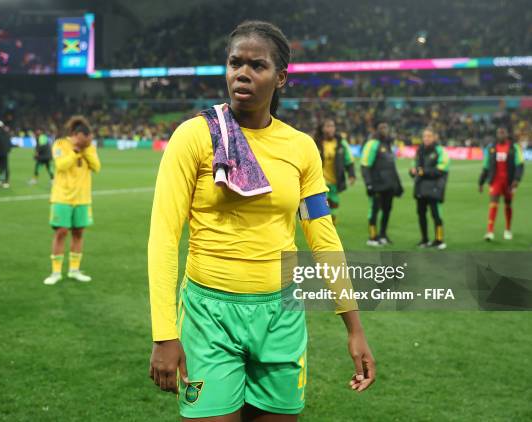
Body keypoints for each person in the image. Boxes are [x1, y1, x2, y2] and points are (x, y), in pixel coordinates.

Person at [148, 21, 375, 421]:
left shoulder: (302, 148)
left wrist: (354, 327)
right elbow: (164, 236)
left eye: (257, 65)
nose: (243, 73)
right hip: (209, 315)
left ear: (281, 77)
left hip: (281, 314)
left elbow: (323, 238)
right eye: (235, 62)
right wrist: (165, 333)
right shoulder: (193, 136)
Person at [43, 116, 101, 285]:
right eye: (85, 137)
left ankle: (74, 270)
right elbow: (60, 165)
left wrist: (85, 150)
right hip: (62, 197)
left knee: (78, 233)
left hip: (82, 198)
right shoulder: (60, 144)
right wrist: (75, 151)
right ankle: (55, 272)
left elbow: (96, 167)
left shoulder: (89, 148)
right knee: (61, 232)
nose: (87, 141)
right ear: (76, 134)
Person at [360, 121, 403, 246]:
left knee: (387, 210)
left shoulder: (388, 145)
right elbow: (365, 165)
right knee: (374, 210)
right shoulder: (372, 144)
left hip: (389, 185)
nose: (384, 130)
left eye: (386, 128)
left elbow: (392, 167)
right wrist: (368, 184)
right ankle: (372, 237)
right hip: (377, 185)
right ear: (377, 130)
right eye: (382, 128)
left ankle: (383, 235)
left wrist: (398, 185)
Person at [478, 126, 524, 241]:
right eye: (499, 133)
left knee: (508, 204)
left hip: (509, 182)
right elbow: (486, 166)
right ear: (496, 134)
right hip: (495, 181)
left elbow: (520, 165)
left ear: (507, 134)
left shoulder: (514, 147)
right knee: (493, 203)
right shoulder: (491, 148)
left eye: (503, 132)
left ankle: (508, 230)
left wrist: (516, 179)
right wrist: (481, 181)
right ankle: (489, 231)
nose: (501, 134)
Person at [409, 128, 450, 249]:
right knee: (421, 214)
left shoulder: (440, 151)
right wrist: (412, 171)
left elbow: (442, 169)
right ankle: (424, 239)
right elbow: (414, 166)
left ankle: (439, 240)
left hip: (435, 187)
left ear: (434, 137)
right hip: (420, 187)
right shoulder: (419, 151)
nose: (426, 138)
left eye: (429, 136)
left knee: (436, 214)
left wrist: (423, 172)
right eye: (424, 136)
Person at [313, 118, 356, 224]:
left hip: (335, 180)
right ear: (322, 129)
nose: (330, 129)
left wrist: (351, 174)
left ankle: (332, 227)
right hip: (320, 181)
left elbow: (349, 159)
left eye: (332, 126)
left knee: (335, 204)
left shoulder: (341, 143)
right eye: (327, 126)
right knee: (323, 206)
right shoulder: (316, 143)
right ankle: (324, 226)